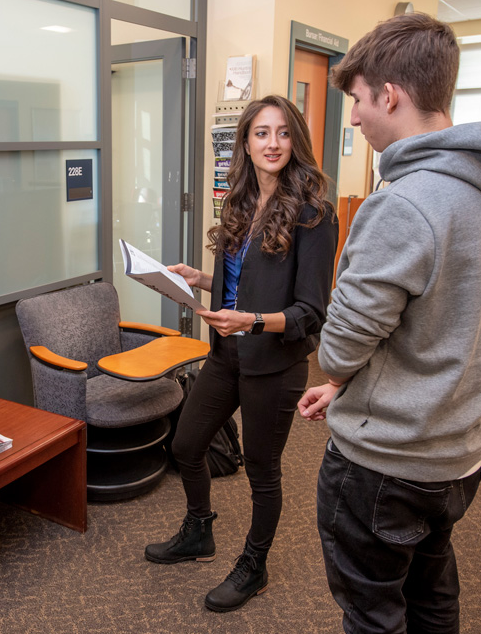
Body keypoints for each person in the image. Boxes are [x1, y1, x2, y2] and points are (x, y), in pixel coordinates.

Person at [298, 13, 481, 634]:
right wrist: (351, 385)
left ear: (391, 94)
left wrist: (338, 371)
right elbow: (465, 325)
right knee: (431, 595)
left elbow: (341, 344)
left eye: (356, 99)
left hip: (387, 463)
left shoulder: (404, 203)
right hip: (459, 452)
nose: (352, 116)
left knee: (374, 612)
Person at [144, 95, 338, 612]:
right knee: (186, 445)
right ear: (246, 145)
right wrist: (195, 279)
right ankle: (198, 531)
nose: (272, 143)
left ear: (295, 141)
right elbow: (243, 285)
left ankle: (254, 566)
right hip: (227, 353)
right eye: (261, 133)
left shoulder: (314, 214)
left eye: (282, 133)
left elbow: (310, 312)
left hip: (275, 362)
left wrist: (250, 321)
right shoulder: (237, 203)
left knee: (261, 469)